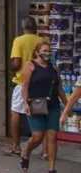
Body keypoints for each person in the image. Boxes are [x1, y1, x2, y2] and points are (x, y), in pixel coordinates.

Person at [20, 41, 66, 173]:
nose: (47, 53)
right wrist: (25, 103)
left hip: (53, 105)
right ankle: (26, 152)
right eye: (44, 51)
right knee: (37, 136)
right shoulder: (30, 65)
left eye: (49, 51)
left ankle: (52, 168)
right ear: (37, 52)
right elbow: (25, 86)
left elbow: (59, 88)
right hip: (36, 105)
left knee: (52, 137)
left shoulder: (53, 68)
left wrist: (66, 105)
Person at [8, 16, 44, 156]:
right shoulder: (42, 41)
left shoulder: (19, 40)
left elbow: (17, 63)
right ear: (35, 27)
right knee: (41, 113)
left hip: (22, 82)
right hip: (40, 82)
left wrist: (12, 68)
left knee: (16, 112)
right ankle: (45, 151)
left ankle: (16, 146)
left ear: (23, 27)